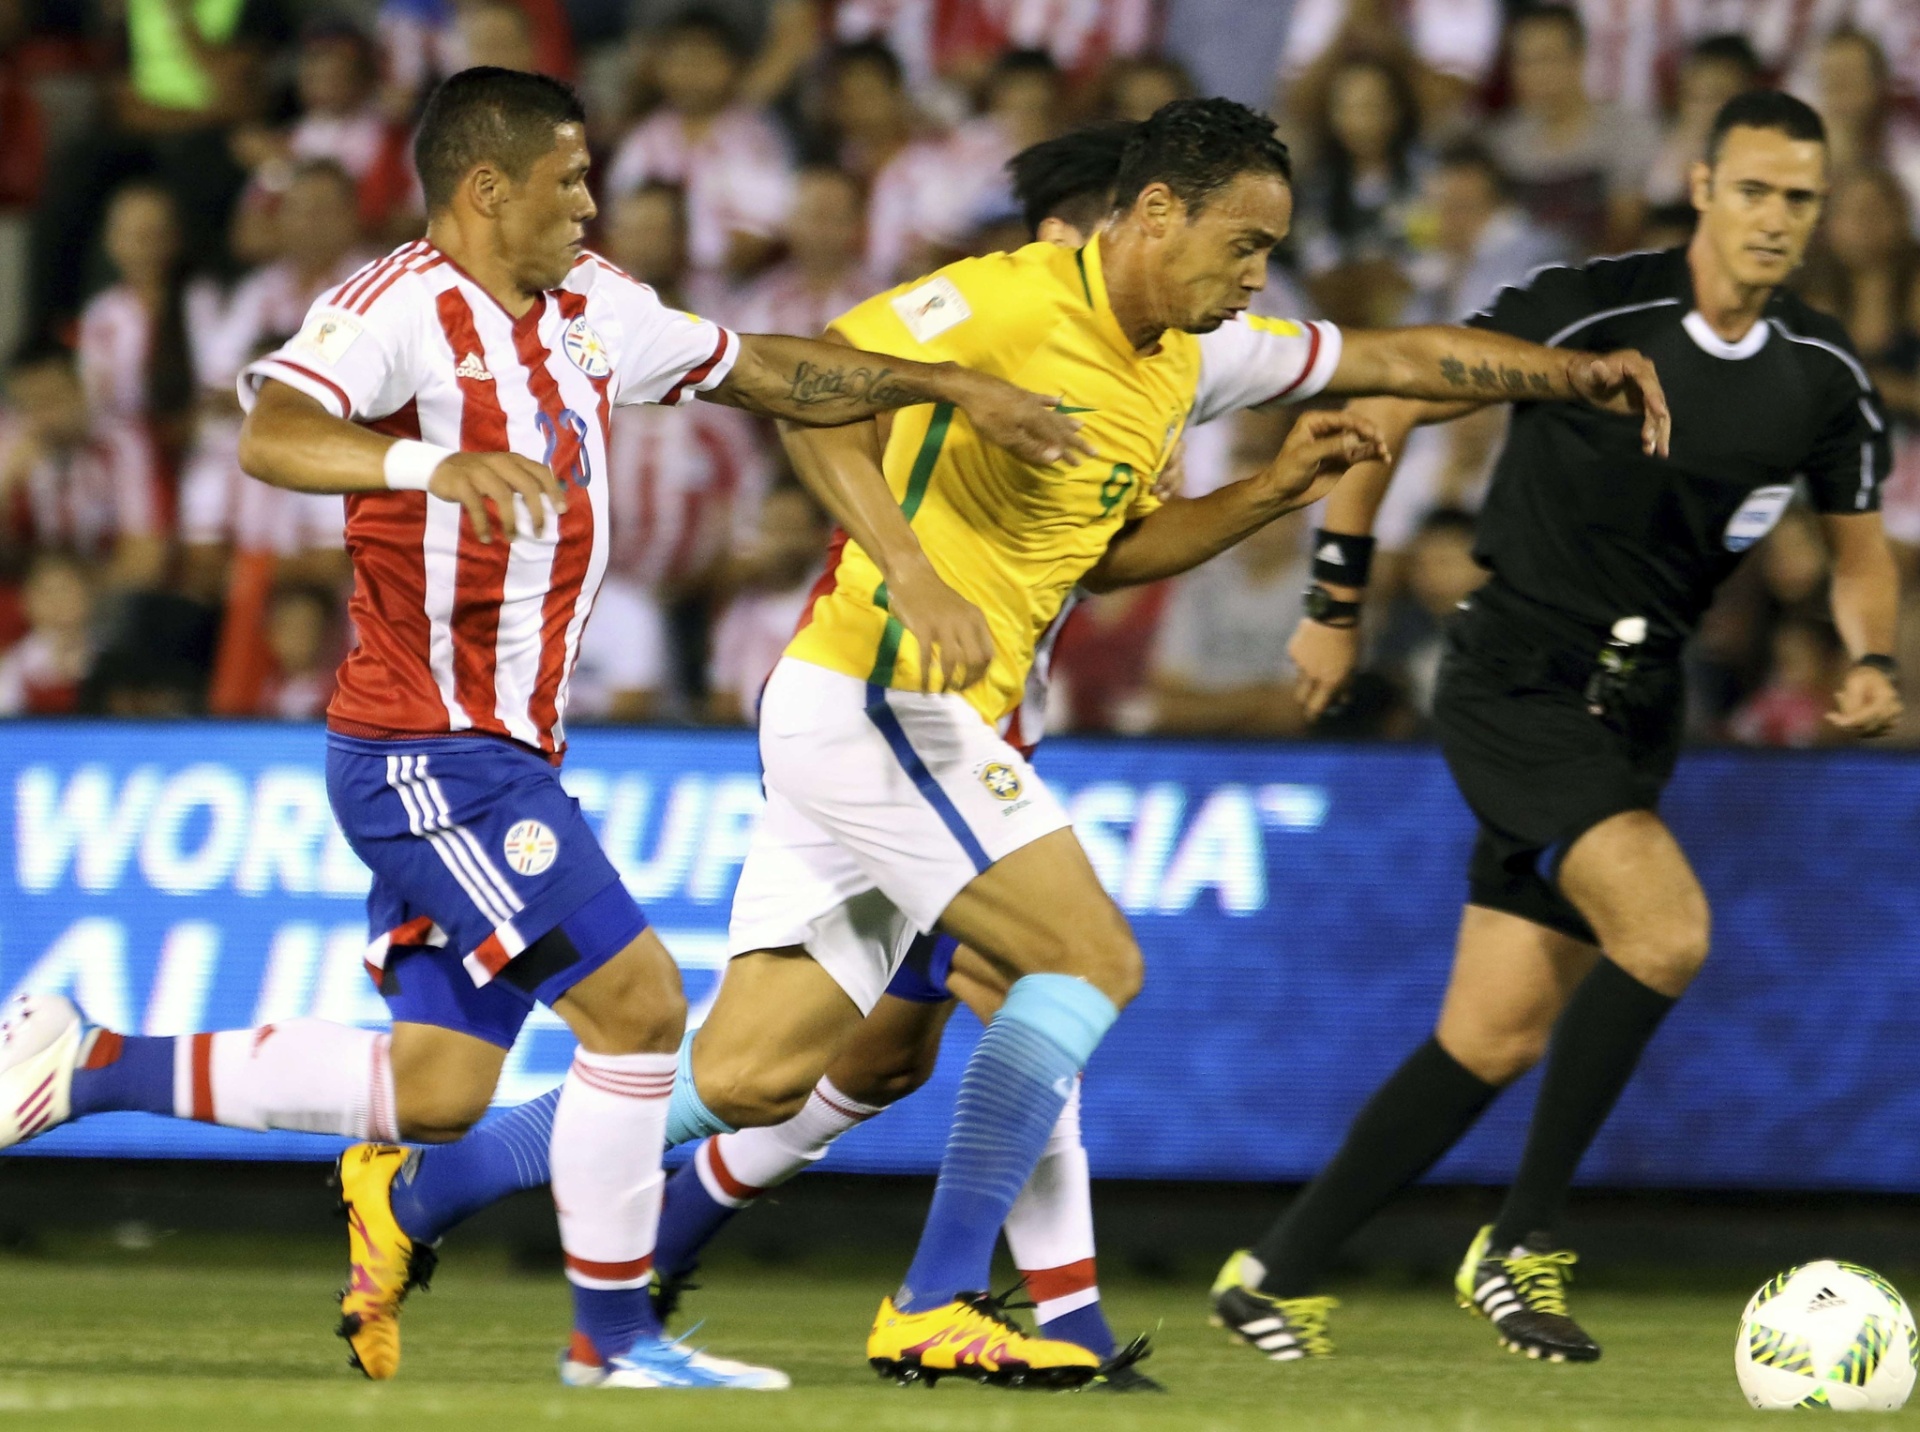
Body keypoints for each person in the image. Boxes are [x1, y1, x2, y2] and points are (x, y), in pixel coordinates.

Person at [283, 105, 1667, 1392]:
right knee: (1084, 960)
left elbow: (1388, 365)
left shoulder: (1194, 360)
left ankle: (416, 1193)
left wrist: (1542, 388)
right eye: (1243, 242)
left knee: (761, 1073)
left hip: (916, 718)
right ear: (1156, 214)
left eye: (1272, 251)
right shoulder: (1002, 303)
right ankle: (951, 1298)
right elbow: (815, 388)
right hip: (883, 691)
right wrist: (907, 563)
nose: (1258, 273)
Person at [0, 64, 1088, 1394]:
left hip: (499, 750)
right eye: (569, 178)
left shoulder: (592, 309)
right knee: (638, 1010)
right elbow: (276, 438)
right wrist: (425, 461)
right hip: (427, 751)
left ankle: (92, 1064)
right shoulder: (390, 307)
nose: (592, 199)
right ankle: (612, 1339)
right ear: (486, 188)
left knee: (439, 1090)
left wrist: (946, 386)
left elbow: (768, 370)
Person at [1219, 89, 1902, 1367]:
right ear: (1699, 184)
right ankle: (1520, 1241)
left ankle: (1272, 1270)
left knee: (1493, 1032)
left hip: (1645, 703)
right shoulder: (1591, 305)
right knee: (1668, 930)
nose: (1775, 218)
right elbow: (1393, 396)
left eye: (1798, 199)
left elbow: (1862, 553)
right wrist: (1336, 597)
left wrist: (1870, 655)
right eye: (1752, 189)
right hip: (1516, 671)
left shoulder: (1822, 377)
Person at [1487, 4, 1659, 256]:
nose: (1536, 74)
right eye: (1524, 62)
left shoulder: (1625, 130)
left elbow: (1626, 230)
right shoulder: (1502, 142)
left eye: (1547, 59)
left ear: (1578, 58)